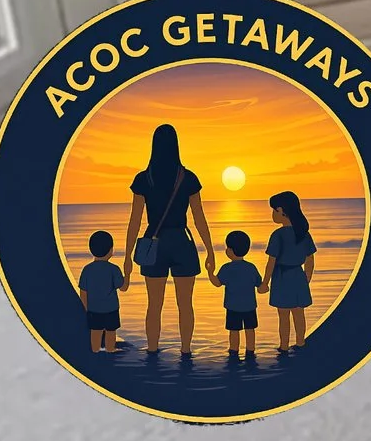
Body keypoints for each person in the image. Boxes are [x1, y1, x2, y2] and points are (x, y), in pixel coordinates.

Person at [119, 123, 213, 356]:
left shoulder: (144, 179)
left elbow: (135, 220)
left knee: (154, 305)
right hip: (182, 241)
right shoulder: (188, 177)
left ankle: (152, 350)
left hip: (154, 242)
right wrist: (210, 250)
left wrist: (128, 255)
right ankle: (186, 351)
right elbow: (199, 216)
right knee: (185, 304)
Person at [265, 191, 315, 350]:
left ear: (281, 211)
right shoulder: (303, 234)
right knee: (299, 314)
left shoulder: (278, 235)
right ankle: (301, 342)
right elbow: (310, 259)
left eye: (274, 210)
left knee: (284, 316)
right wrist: (306, 278)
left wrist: (265, 282)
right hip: (298, 276)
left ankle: (284, 346)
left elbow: (271, 262)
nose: (273, 214)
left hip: (282, 277)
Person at [211, 231, 263, 359]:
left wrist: (210, 273)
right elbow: (259, 284)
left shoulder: (226, 268)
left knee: (234, 330)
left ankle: (234, 350)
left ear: (230, 250)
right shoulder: (251, 267)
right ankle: (250, 350)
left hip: (233, 307)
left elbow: (217, 283)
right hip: (249, 306)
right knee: (250, 329)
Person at [77, 231, 124, 353]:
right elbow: (122, 287)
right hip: (111, 309)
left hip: (94, 309)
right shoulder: (114, 269)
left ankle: (95, 350)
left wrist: (85, 309)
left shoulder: (87, 270)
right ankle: (110, 349)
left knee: (95, 331)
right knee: (111, 331)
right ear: (111, 250)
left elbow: (83, 292)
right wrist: (127, 275)